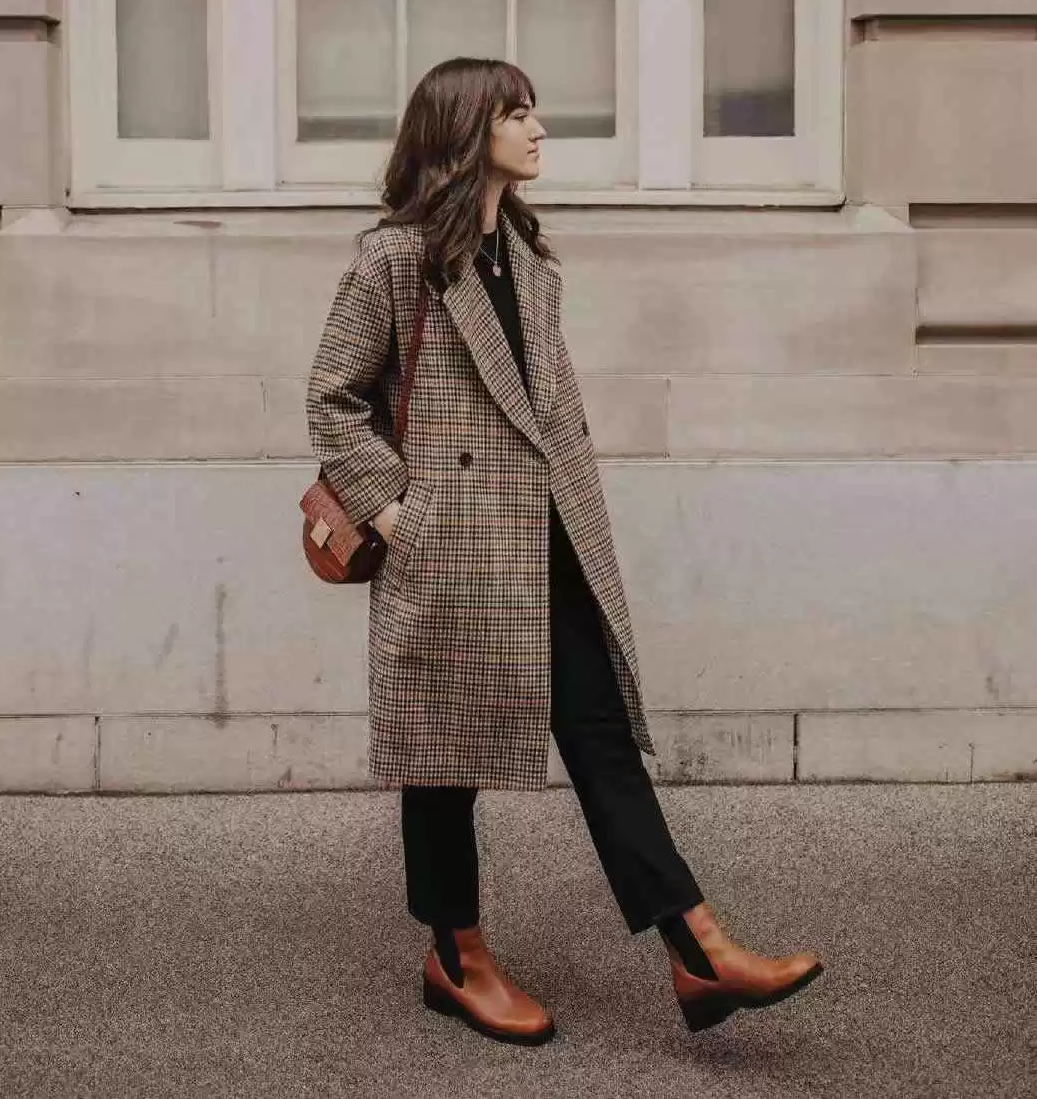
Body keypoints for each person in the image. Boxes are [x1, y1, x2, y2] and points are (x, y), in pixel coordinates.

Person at [306, 57, 823, 1045]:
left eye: (533, 111)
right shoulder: (396, 260)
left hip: (547, 536)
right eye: (515, 113)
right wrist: (397, 513)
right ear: (467, 133)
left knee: (597, 733)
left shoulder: (528, 257)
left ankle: (697, 947)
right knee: (443, 755)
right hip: (454, 546)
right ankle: (456, 954)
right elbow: (332, 397)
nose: (537, 129)